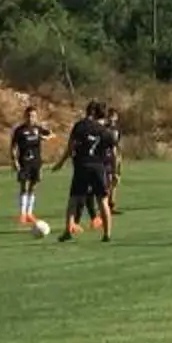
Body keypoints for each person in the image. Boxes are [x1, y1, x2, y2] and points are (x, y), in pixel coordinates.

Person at [58, 101, 114, 243]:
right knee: (102, 200)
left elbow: (70, 147)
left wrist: (61, 162)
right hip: (98, 167)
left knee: (74, 200)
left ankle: (68, 231)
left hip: (82, 166)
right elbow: (112, 151)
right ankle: (107, 234)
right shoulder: (104, 130)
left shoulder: (80, 126)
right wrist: (113, 170)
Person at [9, 100, 51, 230]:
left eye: (33, 116)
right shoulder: (19, 130)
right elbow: (13, 147)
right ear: (24, 116)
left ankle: (29, 213)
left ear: (36, 117)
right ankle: (22, 214)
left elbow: (51, 134)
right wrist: (14, 161)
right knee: (24, 186)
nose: (30, 118)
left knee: (33, 186)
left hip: (36, 162)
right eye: (28, 116)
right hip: (24, 162)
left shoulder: (38, 129)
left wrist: (46, 138)